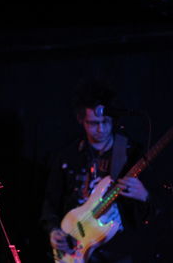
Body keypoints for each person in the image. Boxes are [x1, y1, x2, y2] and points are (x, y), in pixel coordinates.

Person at [40, 80, 158, 262]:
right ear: (81, 120)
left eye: (105, 122)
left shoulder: (131, 154)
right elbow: (51, 201)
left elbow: (154, 214)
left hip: (120, 253)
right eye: (93, 123)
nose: (101, 129)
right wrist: (54, 230)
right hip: (76, 249)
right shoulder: (67, 156)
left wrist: (145, 196)